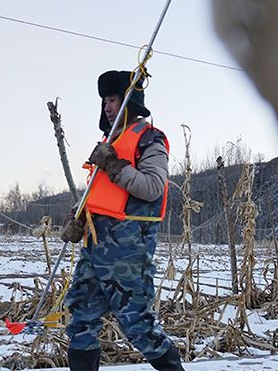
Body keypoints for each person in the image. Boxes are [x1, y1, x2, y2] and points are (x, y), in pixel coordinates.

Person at [61, 70, 185, 371]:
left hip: (127, 252)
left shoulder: (149, 139)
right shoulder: (109, 141)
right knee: (80, 319)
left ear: (129, 101)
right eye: (104, 100)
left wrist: (114, 164)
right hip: (94, 249)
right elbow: (97, 192)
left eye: (112, 99)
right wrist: (76, 217)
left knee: (138, 327)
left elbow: (153, 186)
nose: (106, 106)